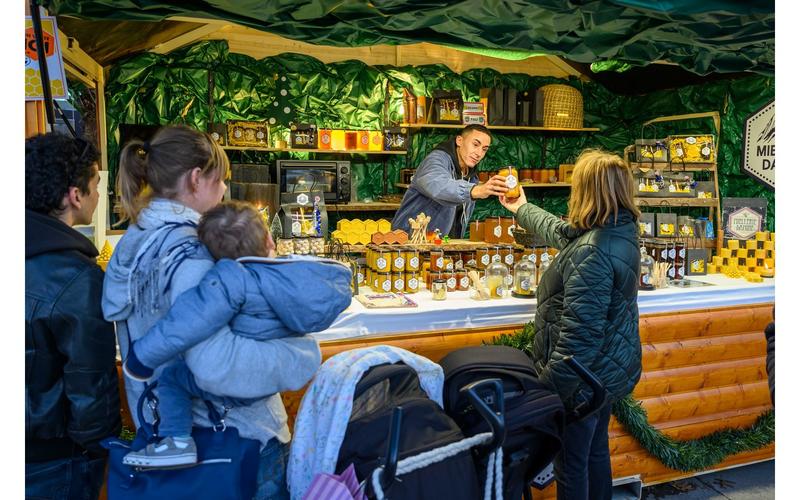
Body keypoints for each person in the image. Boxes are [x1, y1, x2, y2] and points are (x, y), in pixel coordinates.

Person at [102, 125, 326, 499]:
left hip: (164, 436)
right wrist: (302, 356)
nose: (223, 190)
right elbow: (217, 363)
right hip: (234, 442)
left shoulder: (133, 242)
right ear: (195, 179)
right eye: (220, 179)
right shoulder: (195, 252)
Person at [119, 201, 352, 467]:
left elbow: (188, 321)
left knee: (172, 378)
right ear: (270, 240)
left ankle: (177, 442)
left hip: (234, 387)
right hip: (269, 386)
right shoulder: (290, 278)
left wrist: (141, 358)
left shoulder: (232, 277)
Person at [499, 149, 642, 500]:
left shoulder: (591, 251)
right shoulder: (618, 230)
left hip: (580, 382)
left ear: (587, 191)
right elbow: (562, 232)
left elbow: (578, 340)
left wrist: (546, 391)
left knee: (572, 465)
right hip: (603, 375)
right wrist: (521, 208)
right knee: (594, 453)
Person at [26, 133, 121, 500]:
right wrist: (101, 448)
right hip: (52, 460)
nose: (99, 196)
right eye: (96, 186)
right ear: (75, 195)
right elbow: (90, 385)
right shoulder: (76, 277)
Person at [391, 124, 508, 239]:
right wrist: (474, 190)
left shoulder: (472, 176)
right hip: (408, 241)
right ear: (459, 141)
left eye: (484, 149)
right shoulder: (436, 160)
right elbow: (439, 185)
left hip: (442, 244)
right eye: (475, 144)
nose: (479, 153)